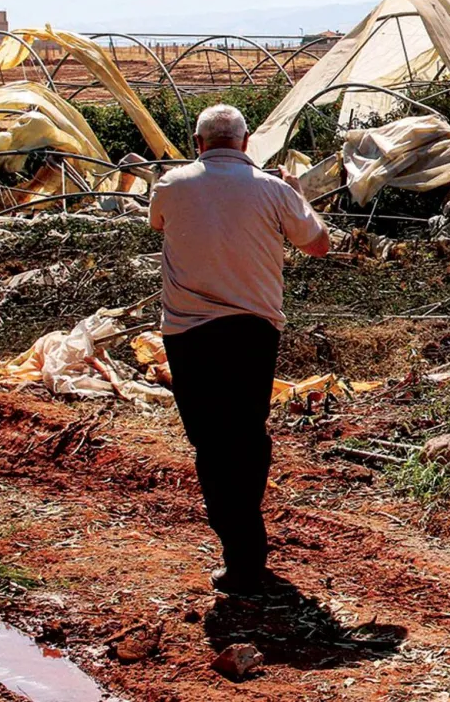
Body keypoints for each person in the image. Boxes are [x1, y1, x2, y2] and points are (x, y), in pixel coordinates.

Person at [148, 104, 330, 596]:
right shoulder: (273, 190)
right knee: (247, 433)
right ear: (246, 143)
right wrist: (297, 197)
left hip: (188, 333)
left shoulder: (171, 185)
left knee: (210, 442)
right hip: (253, 330)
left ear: (197, 141)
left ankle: (239, 548)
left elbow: (158, 224)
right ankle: (247, 547)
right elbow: (318, 246)